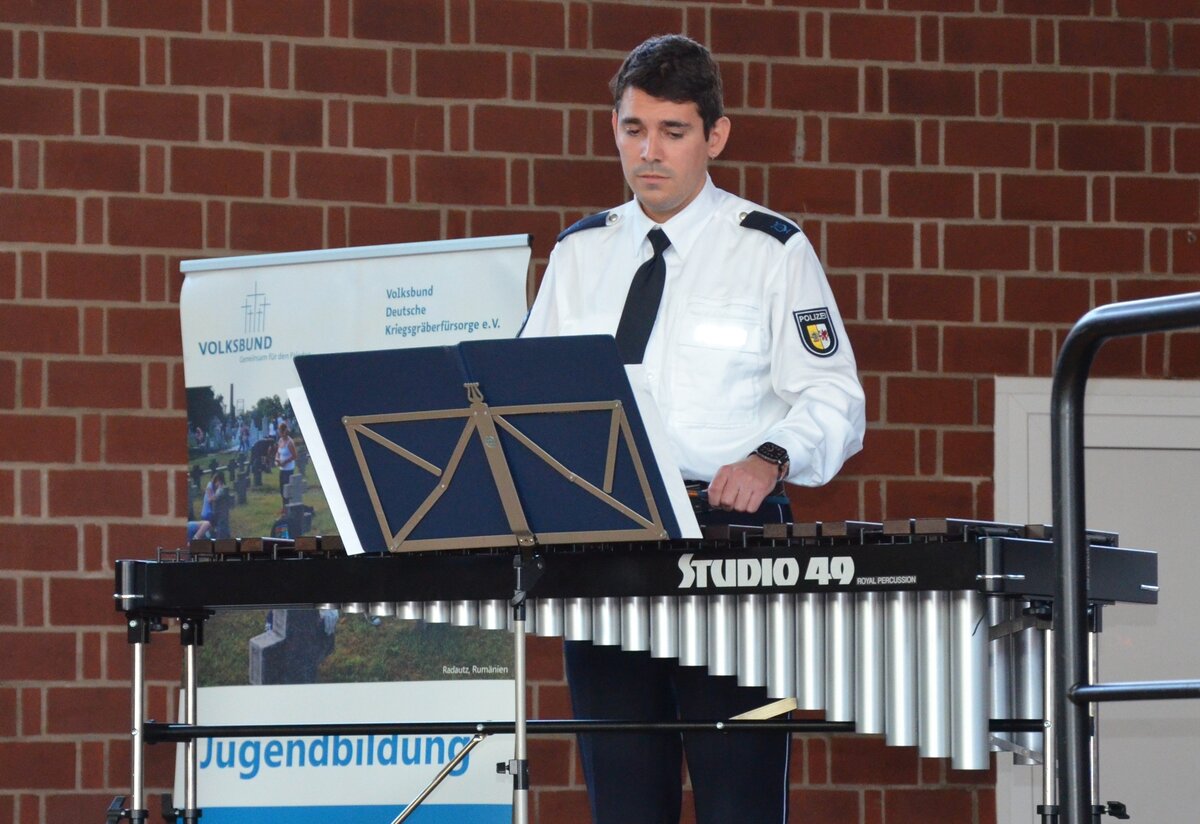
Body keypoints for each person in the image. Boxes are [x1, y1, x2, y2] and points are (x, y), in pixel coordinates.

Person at [520, 35, 866, 824]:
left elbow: (834, 396)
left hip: (730, 541)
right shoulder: (579, 254)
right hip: (605, 546)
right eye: (633, 129)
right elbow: (527, 396)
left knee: (740, 799)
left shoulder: (771, 250)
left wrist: (771, 457)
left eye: (672, 132)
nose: (649, 152)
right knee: (624, 803)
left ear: (716, 136)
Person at [275, 421, 297, 505]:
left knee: (287, 489)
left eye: (280, 431)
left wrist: (284, 461)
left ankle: (288, 507)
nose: (279, 433)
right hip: (282, 468)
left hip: (288, 469)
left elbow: (295, 456)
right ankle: (284, 507)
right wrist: (277, 459)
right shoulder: (280, 440)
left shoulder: (290, 442)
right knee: (282, 489)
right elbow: (278, 452)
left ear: (284, 431)